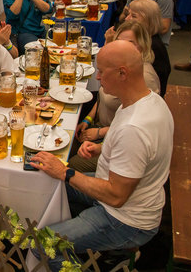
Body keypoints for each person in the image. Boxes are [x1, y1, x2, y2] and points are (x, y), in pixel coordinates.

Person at [34, 41, 172, 272]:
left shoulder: (134, 129)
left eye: (101, 71)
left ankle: (109, 248)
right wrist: (102, 148)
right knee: (49, 183)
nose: (97, 77)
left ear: (122, 73)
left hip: (126, 220)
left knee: (42, 244)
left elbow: (116, 196)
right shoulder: (148, 101)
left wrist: (65, 172)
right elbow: (141, 151)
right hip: (131, 197)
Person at [70, 21, 161, 173]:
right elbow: (102, 98)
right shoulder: (119, 71)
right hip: (102, 130)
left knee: (72, 164)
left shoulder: (144, 77)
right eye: (120, 42)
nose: (97, 77)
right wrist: (88, 119)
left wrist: (99, 135)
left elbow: (135, 127)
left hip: (115, 140)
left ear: (143, 46)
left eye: (130, 43)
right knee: (67, 143)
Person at [109, 0, 170, 96]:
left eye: (133, 16)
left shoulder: (151, 46)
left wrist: (109, 43)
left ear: (149, 20)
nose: (127, 19)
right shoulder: (147, 39)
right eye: (128, 14)